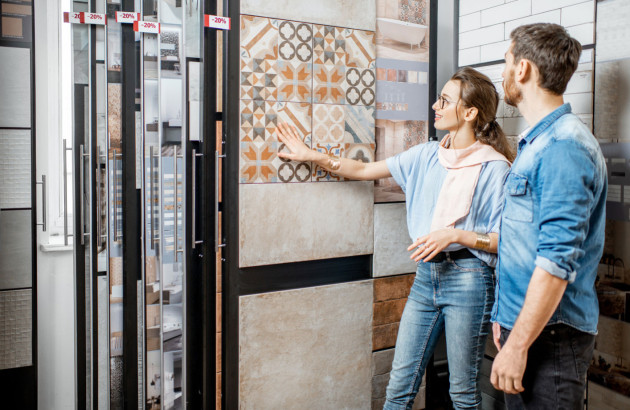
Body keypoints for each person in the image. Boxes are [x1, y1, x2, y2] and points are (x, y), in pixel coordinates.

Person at [277, 67, 514, 409]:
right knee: (398, 389)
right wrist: (310, 155)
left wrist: (456, 234)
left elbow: (502, 240)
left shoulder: (496, 168)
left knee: (463, 395)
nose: (435, 105)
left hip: (470, 281)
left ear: (470, 112)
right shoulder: (425, 155)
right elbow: (362, 170)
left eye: (444, 100)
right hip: (426, 277)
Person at [489, 23, 607, 409]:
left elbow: (556, 261)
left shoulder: (562, 148)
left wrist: (517, 344)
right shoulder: (540, 142)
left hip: (550, 338)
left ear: (522, 69)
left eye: (506, 60)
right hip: (528, 326)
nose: (503, 72)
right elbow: (521, 243)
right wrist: (502, 314)